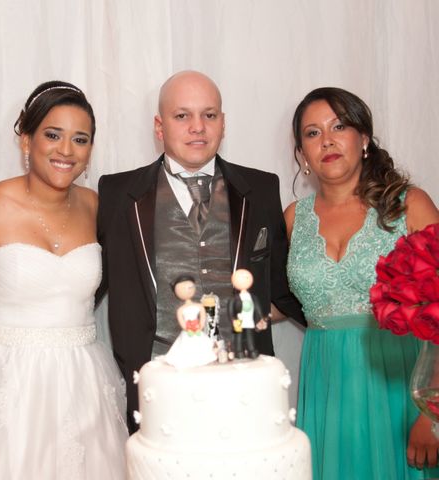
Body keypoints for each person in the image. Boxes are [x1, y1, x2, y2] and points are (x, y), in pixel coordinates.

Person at [97, 70, 305, 432]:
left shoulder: (261, 188)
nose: (198, 127)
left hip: (244, 385)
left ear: (223, 124)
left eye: (209, 115)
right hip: (156, 385)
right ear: (159, 127)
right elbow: (90, 279)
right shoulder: (117, 194)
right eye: (182, 116)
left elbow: (287, 286)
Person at [0, 81, 127, 479]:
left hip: (84, 379)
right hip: (6, 380)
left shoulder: (98, 206)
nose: (66, 151)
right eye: (53, 135)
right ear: (26, 140)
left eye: (80, 139)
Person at [285, 86, 439, 479]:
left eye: (339, 126)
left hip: (399, 381)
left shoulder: (409, 204)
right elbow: (270, 298)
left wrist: (434, 409)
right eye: (313, 133)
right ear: (302, 153)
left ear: (364, 138)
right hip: (325, 384)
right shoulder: (292, 219)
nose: (328, 140)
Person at [164, 275, 216, 369]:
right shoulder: (181, 309)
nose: (187, 289)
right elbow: (181, 321)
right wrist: (187, 327)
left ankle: (201, 360)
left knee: (201, 346)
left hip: (197, 329)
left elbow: (203, 316)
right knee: (186, 348)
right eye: (183, 288)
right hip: (188, 331)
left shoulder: (199, 306)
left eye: (190, 287)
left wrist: (200, 325)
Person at [226, 269, 268, 359]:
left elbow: (258, 309)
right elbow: (230, 311)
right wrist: (233, 320)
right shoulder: (234, 299)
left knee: (250, 336)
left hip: (249, 320)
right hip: (238, 321)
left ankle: (251, 350)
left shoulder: (253, 297)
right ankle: (238, 351)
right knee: (238, 337)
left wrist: (260, 318)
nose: (245, 278)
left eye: (247, 277)